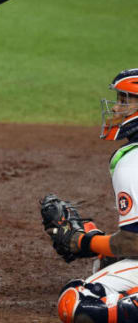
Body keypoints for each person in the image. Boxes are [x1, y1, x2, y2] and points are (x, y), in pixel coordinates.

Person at [44, 68, 138, 323]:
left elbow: (134, 244)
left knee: (77, 303)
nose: (116, 108)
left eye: (125, 100)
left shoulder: (132, 160)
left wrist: (85, 241)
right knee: (109, 259)